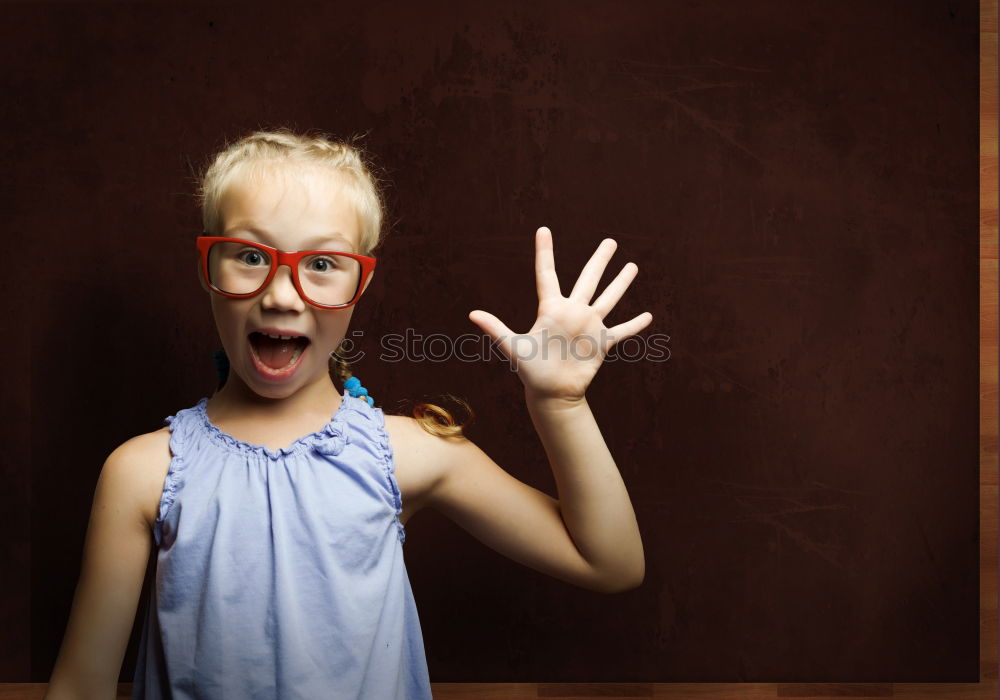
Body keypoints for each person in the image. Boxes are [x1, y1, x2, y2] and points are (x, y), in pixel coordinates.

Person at [44, 127, 651, 699]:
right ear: (208, 268)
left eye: (323, 263)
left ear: (359, 286)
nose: (281, 295)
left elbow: (610, 563)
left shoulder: (408, 452)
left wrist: (559, 403)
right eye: (250, 256)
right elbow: (80, 687)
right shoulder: (141, 472)